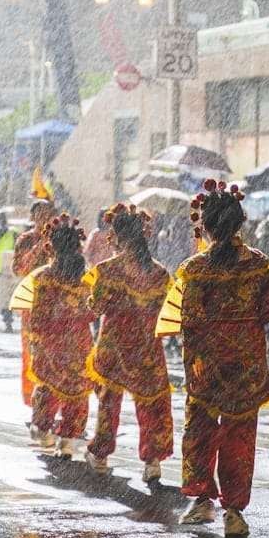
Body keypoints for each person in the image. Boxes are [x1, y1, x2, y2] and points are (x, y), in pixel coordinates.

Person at [177, 181, 269, 538]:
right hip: (247, 361)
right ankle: (234, 511)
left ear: (204, 226)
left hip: (206, 361)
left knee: (200, 431)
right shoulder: (262, 267)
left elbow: (188, 317)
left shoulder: (195, 268)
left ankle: (201, 500)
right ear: (240, 223)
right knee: (239, 436)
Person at [84, 203, 173, 480]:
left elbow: (96, 308)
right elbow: (166, 311)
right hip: (147, 345)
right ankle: (152, 461)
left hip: (114, 343)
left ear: (118, 237)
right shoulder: (159, 273)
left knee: (109, 401)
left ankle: (101, 453)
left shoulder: (106, 270)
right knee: (150, 403)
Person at [27, 215, 96, 456]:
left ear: (52, 246)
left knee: (48, 386)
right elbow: (93, 312)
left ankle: (45, 432)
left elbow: (37, 316)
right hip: (79, 341)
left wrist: (35, 338)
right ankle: (67, 441)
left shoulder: (44, 277)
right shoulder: (87, 278)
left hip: (52, 341)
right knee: (77, 392)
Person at [14, 199, 56, 406]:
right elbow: (19, 269)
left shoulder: (60, 238)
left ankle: (56, 401)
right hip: (32, 303)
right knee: (31, 352)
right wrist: (39, 246)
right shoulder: (25, 239)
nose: (44, 218)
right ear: (32, 217)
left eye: (48, 213)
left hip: (57, 304)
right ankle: (34, 401)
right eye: (39, 214)